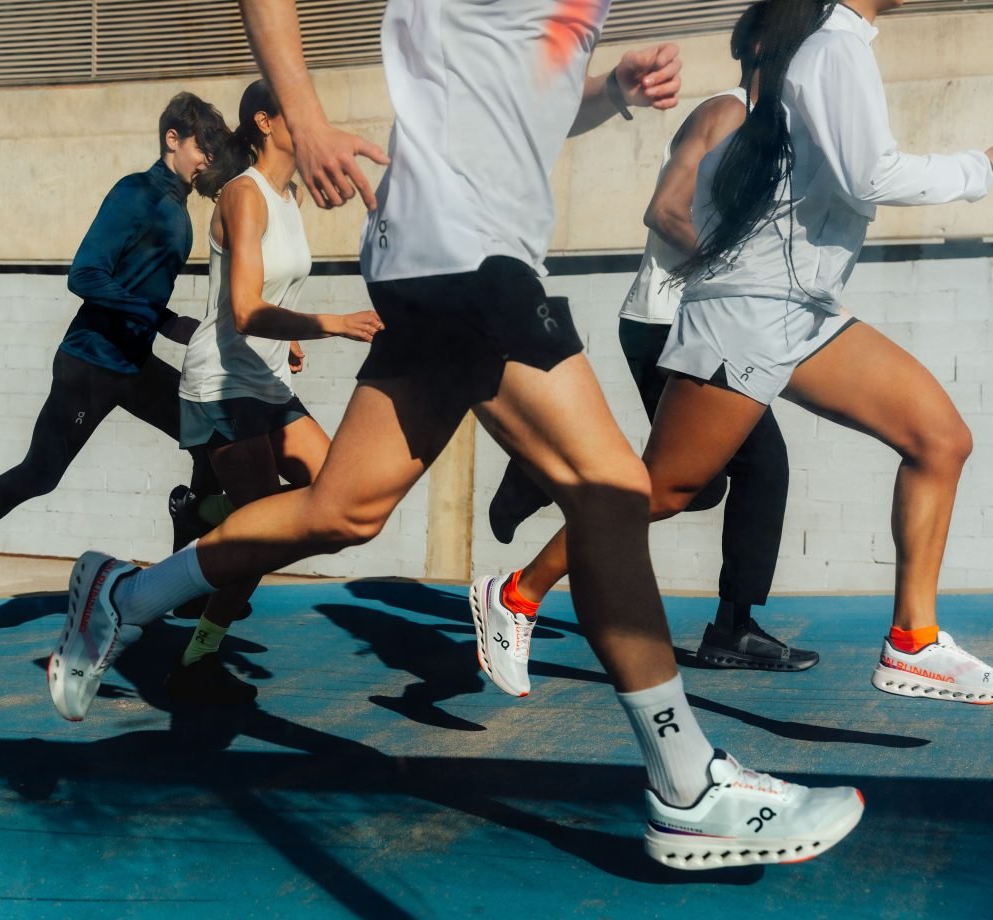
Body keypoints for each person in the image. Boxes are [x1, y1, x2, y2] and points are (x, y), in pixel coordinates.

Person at [46, 0, 865, 870]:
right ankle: (687, 784)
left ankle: (121, 597)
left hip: (454, 251)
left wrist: (607, 92)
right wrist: (310, 117)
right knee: (612, 490)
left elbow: (516, 99)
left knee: (342, 509)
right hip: (462, 252)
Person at [477, 0, 993, 707]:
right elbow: (868, 176)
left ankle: (912, 642)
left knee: (941, 439)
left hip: (802, 310)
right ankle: (515, 593)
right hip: (751, 315)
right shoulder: (833, 48)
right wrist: (980, 168)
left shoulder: (832, 52)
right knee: (667, 490)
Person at [480, 2, 819, 673]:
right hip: (673, 320)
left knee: (703, 483)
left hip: (709, 324)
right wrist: (742, 273)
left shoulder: (777, 130)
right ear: (760, 49)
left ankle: (547, 474)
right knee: (703, 478)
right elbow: (664, 209)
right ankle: (526, 587)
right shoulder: (726, 112)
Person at [0, 93, 232, 627]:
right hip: (91, 364)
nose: (208, 160)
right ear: (173, 140)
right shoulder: (137, 192)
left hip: (133, 361)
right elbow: (84, 275)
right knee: (40, 473)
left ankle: (182, 574)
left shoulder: (178, 205)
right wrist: (166, 321)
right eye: (203, 147)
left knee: (214, 443)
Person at [164, 79, 383, 704]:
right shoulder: (244, 195)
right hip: (223, 383)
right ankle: (197, 657)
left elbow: (268, 299)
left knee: (336, 502)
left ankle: (204, 513)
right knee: (264, 538)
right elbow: (243, 309)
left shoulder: (289, 198)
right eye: (300, 111)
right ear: (265, 121)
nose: (315, 120)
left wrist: (289, 337)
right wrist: (333, 324)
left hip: (267, 379)